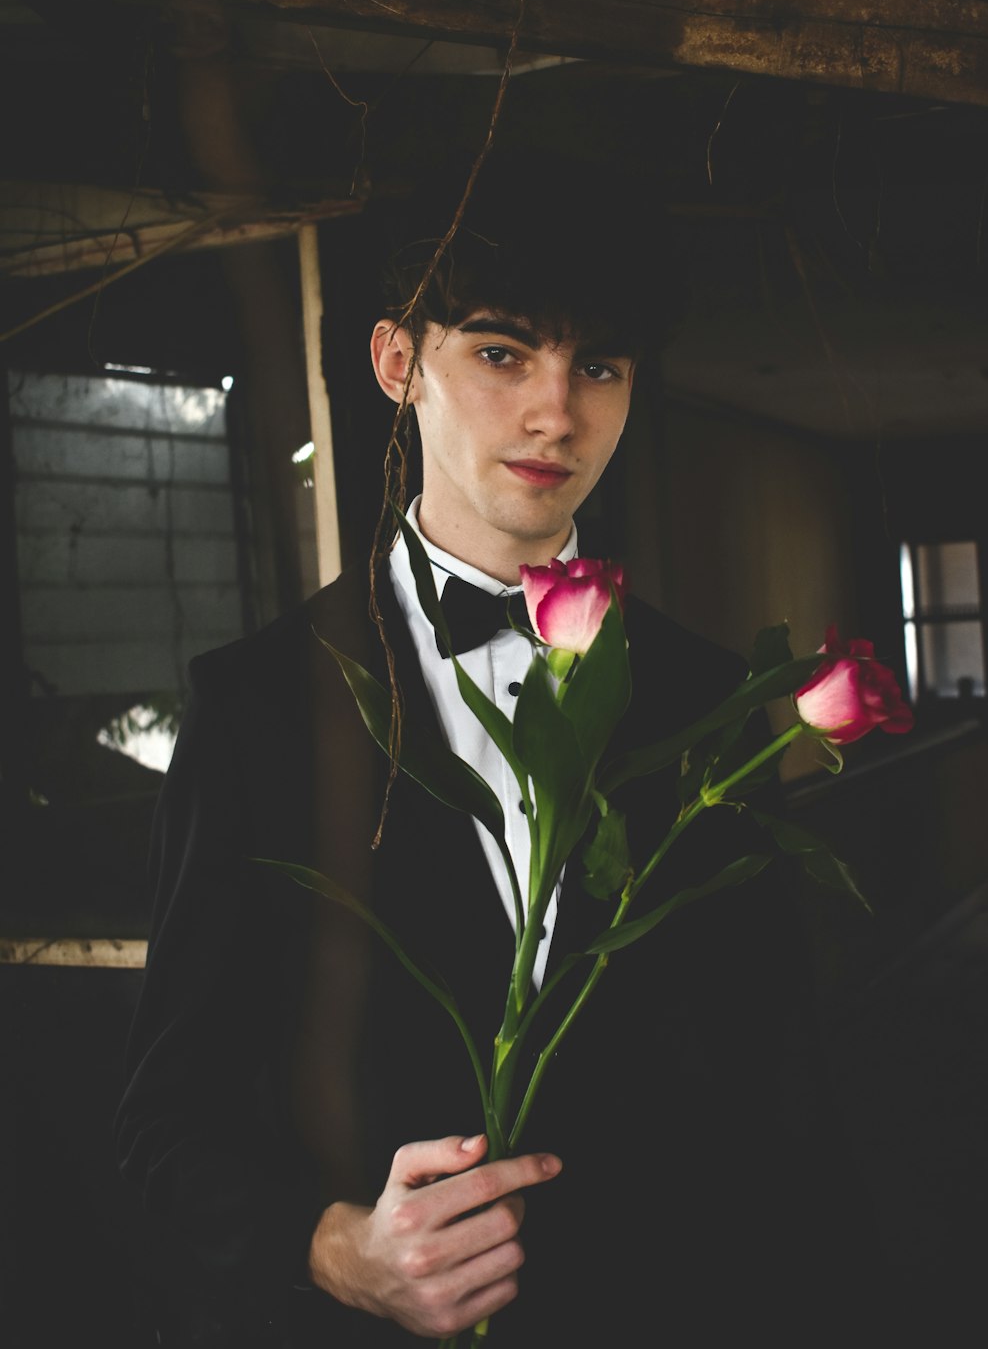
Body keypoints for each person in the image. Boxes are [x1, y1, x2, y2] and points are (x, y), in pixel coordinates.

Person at [115, 156, 876, 1347]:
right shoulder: (257, 704)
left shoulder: (709, 696)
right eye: (502, 352)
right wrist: (333, 1252)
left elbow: (782, 1093)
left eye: (601, 367)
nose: (556, 414)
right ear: (396, 363)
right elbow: (168, 1125)